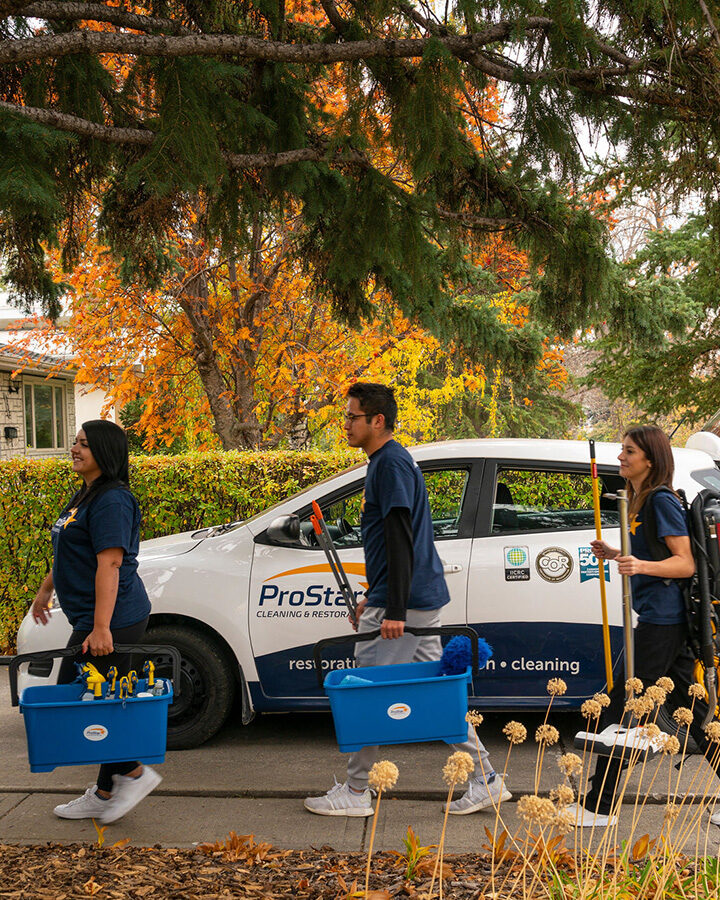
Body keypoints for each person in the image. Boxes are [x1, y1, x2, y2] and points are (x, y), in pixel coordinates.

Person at [304, 383, 510, 816]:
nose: (346, 425)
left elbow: (401, 537)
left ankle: (358, 793)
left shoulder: (391, 465)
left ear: (376, 420)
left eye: (352, 417)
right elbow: (392, 543)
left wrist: (392, 609)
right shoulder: (387, 462)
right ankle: (486, 778)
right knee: (436, 693)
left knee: (365, 692)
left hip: (407, 600)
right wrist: (374, 597)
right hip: (410, 595)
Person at [30, 419, 160, 824]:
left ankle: (133, 774)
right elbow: (72, 547)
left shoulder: (113, 501)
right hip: (93, 617)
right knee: (93, 700)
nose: (75, 449)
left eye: (84, 444)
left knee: (85, 701)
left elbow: (110, 562)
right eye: (75, 442)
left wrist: (102, 627)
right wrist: (46, 588)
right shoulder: (87, 493)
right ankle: (108, 790)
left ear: (104, 451)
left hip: (114, 618)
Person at [573, 425, 700, 827]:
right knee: (691, 712)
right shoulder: (640, 500)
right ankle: (598, 806)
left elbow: (685, 562)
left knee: (622, 704)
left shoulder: (660, 500)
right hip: (662, 619)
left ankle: (598, 807)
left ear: (650, 458)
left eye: (628, 451)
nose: (620, 457)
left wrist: (640, 565)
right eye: (622, 451)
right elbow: (653, 554)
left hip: (664, 621)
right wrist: (615, 553)